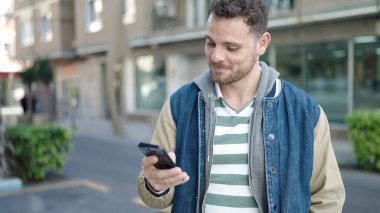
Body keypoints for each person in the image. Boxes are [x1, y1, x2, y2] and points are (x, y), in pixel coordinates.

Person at [137, 0, 345, 212]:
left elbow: (327, 199)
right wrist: (155, 185)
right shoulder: (178, 105)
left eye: (231, 47)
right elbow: (156, 197)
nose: (216, 56)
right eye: (210, 43)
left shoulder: (305, 112)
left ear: (262, 44)